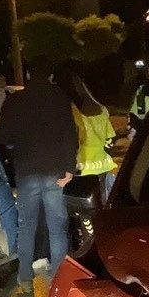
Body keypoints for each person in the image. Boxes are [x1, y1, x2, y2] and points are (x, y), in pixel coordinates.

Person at [0, 60, 78, 297]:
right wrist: (69, 169)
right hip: (55, 171)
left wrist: (15, 144)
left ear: (28, 75)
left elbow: (2, 135)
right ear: (50, 76)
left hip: (26, 171)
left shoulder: (15, 101)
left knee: (27, 225)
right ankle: (58, 278)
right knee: (57, 226)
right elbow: (70, 134)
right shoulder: (60, 98)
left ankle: (25, 277)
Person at [55, 65, 117, 203]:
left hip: (79, 170)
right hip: (102, 167)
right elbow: (110, 139)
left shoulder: (68, 113)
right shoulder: (101, 109)